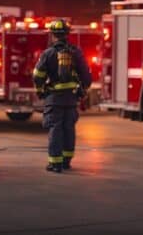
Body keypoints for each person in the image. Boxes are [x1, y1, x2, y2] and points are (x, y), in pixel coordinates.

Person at [33, 19, 91, 173]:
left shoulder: (48, 53)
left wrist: (40, 89)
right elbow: (86, 76)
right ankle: (66, 161)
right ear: (67, 34)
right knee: (68, 129)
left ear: (53, 35)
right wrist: (82, 89)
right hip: (71, 99)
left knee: (55, 129)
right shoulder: (75, 52)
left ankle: (55, 163)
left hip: (54, 99)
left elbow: (38, 75)